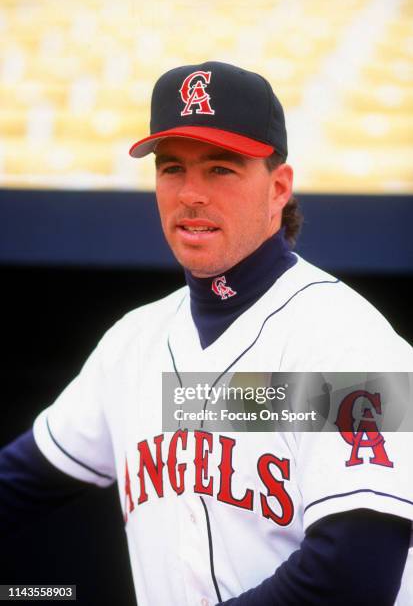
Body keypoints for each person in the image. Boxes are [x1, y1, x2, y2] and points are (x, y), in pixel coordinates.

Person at [1, 61, 413, 606]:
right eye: (172, 168)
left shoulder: (347, 341)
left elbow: (352, 579)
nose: (190, 193)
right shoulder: (134, 343)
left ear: (278, 189)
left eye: (221, 169)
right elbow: (19, 483)